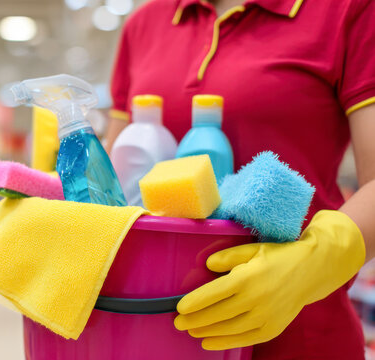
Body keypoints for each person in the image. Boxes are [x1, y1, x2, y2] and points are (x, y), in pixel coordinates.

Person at [103, 0, 375, 358]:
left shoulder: (346, 10)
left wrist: (314, 261)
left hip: (299, 329)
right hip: (155, 329)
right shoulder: (144, 23)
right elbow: (109, 185)